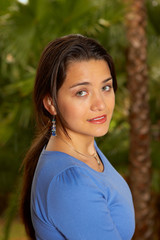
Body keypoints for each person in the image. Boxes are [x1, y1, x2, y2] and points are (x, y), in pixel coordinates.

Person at [20, 34, 135, 240]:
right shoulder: (71, 182)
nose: (100, 104)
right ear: (51, 103)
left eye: (105, 87)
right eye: (82, 92)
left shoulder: (86, 150)